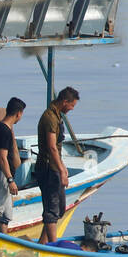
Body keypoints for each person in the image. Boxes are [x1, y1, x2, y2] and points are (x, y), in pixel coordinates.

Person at [36, 87, 79, 244]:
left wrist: (62, 167)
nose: (72, 109)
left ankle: (42, 243)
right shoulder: (50, 118)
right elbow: (52, 147)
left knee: (59, 208)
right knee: (52, 209)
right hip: (48, 168)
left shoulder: (56, 116)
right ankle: (53, 246)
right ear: (64, 101)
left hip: (54, 166)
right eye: (72, 105)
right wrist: (61, 171)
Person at [0, 97, 25, 233]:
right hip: (1, 174)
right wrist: (10, 180)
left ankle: (4, 240)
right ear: (18, 113)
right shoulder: (4, 131)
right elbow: (2, 158)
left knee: (6, 215)